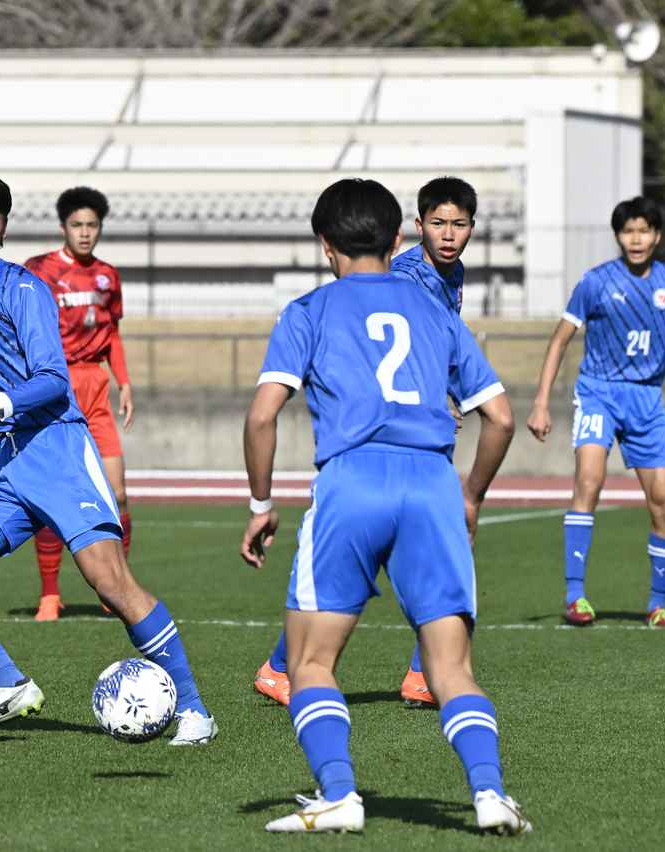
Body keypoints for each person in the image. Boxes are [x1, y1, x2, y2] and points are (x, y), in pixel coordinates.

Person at [241, 178, 529, 833]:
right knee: (450, 667)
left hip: (351, 483)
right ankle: (488, 795)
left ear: (324, 245)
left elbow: (263, 417)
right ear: (400, 238)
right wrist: (472, 496)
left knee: (310, 662)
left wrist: (261, 504)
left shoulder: (309, 310)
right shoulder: (437, 313)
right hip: (431, 484)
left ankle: (340, 794)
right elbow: (502, 419)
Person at [0, 171, 216, 744]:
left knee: (108, 581)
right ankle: (7, 683)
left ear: (4, 226)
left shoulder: (22, 289)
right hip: (6, 471)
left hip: (58, 452)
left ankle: (193, 709)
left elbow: (53, 380)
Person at [254, 176, 481, 709]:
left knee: (353, 562)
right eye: (439, 224)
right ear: (411, 230)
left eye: (460, 224)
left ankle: (294, 665)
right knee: (414, 549)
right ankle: (423, 672)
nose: (448, 236)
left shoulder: (450, 273)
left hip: (399, 444)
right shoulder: (400, 277)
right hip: (384, 446)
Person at [526, 196, 665, 629]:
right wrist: (541, 403)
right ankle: (576, 596)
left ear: (656, 236)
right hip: (598, 393)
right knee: (590, 482)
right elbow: (559, 340)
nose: (636, 239)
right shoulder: (596, 282)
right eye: (628, 231)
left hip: (647, 401)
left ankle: (657, 605)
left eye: (644, 231)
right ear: (618, 236)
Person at [24, 187, 133, 621]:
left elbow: (113, 335)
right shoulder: (40, 271)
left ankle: (116, 587)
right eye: (77, 225)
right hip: (56, 385)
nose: (85, 233)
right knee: (54, 493)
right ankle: (50, 594)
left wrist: (124, 382)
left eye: (92, 226)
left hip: (96, 385)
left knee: (118, 493)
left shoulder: (108, 275)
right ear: (63, 227)